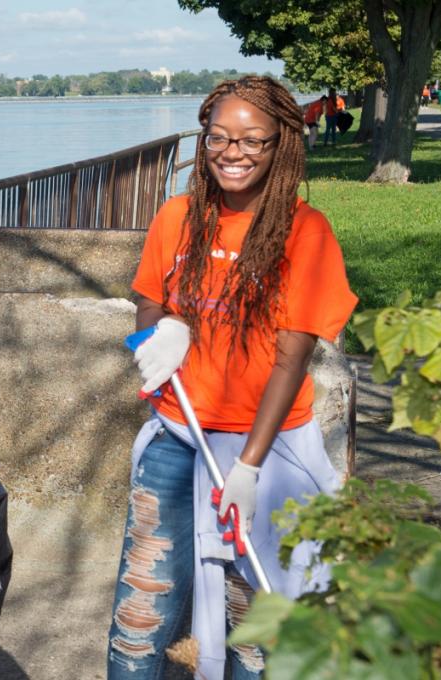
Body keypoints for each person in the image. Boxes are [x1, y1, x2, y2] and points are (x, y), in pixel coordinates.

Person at [106, 75, 357, 679]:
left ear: (282, 146)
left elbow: (291, 358)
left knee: (255, 622)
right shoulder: (177, 216)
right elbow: (148, 299)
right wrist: (160, 334)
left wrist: (248, 467)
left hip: (265, 454)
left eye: (251, 140)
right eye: (218, 137)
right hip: (176, 438)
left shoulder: (307, 232)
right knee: (139, 617)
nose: (232, 152)